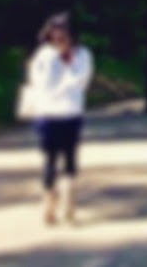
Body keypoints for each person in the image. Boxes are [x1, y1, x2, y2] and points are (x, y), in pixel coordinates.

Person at [27, 13, 94, 225]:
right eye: (55, 30)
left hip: (70, 113)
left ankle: (68, 201)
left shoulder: (82, 55)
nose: (59, 35)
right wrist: (59, 63)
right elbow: (40, 83)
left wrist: (66, 63)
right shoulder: (44, 55)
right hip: (49, 114)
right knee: (50, 160)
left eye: (63, 31)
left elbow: (81, 81)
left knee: (69, 159)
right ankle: (51, 202)